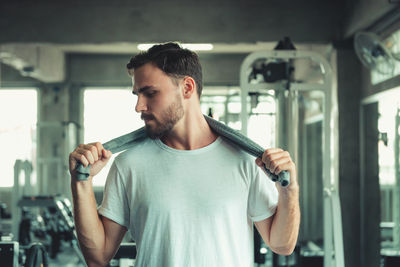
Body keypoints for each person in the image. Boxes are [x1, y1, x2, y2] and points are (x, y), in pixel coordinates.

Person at [69, 42, 300, 267]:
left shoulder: (246, 160)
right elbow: (98, 256)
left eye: (149, 93)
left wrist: (289, 190)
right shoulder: (129, 164)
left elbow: (282, 245)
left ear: (187, 88)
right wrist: (82, 181)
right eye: (137, 94)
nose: (139, 106)